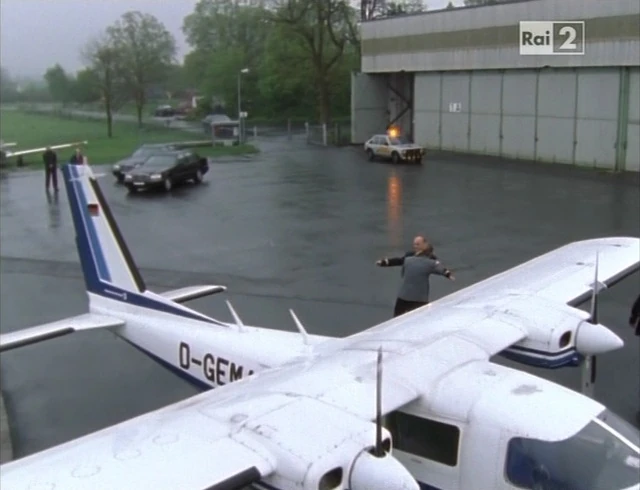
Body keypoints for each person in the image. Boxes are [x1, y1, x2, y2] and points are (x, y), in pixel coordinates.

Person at [376, 235, 455, 317]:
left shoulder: (430, 258)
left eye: (418, 244)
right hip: (405, 294)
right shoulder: (410, 256)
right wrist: (385, 262)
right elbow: (399, 261)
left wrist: (447, 274)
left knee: (419, 318)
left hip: (419, 297)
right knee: (398, 318)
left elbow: (438, 267)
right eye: (414, 244)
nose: (415, 246)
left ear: (425, 244)